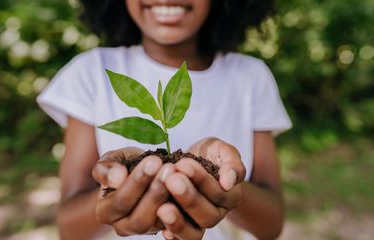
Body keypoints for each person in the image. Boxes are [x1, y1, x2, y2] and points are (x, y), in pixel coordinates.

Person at [37, 0, 292, 239]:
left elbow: (271, 224)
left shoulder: (250, 77)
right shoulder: (91, 73)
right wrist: (123, 187)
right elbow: (69, 227)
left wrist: (224, 187)